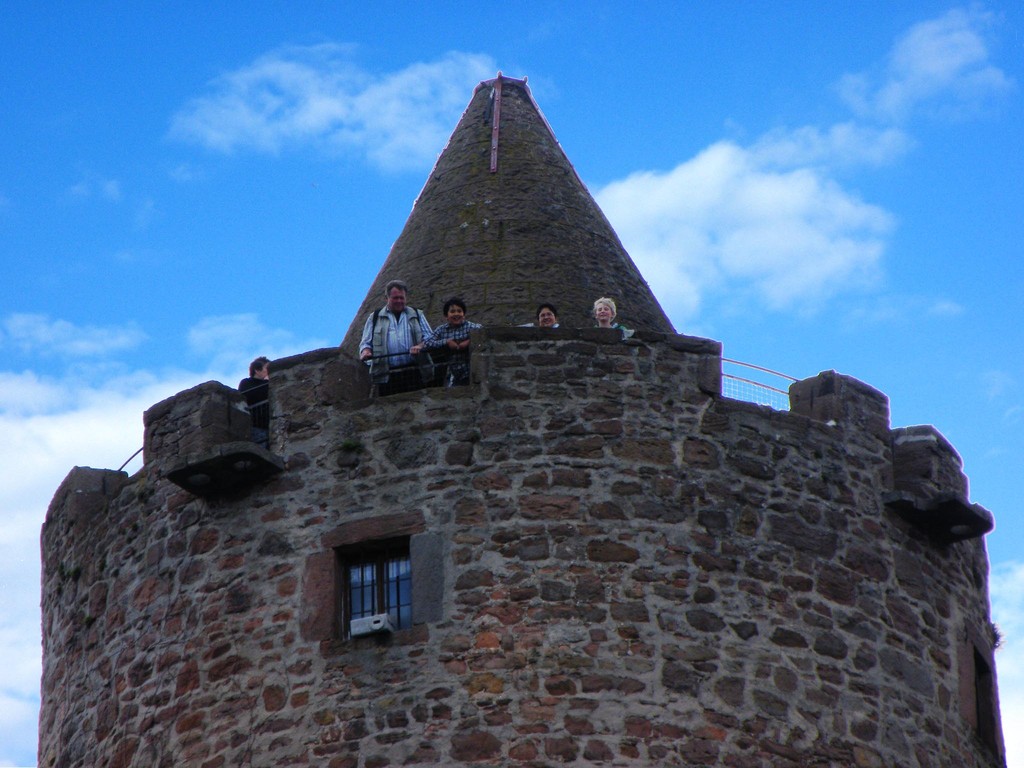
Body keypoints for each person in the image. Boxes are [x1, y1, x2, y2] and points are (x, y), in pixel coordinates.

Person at [358, 279, 433, 395]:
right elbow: (366, 343)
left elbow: (430, 338)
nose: (399, 301)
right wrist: (366, 352)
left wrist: (420, 346)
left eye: (401, 298)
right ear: (387, 298)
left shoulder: (417, 315)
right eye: (395, 298)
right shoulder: (375, 317)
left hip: (414, 371)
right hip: (386, 374)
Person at [411, 297, 483, 387]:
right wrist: (446, 342)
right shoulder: (442, 330)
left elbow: (484, 332)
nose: (456, 314)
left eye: (459, 311)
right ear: (446, 316)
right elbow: (428, 342)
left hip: (471, 373)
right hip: (455, 375)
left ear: (464, 314)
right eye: (452, 311)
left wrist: (469, 341)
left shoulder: (470, 327)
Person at [238, 356, 270, 447]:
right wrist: (266, 382)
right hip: (255, 425)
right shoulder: (246, 383)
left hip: (269, 424)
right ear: (257, 370)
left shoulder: (270, 383)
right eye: (267, 368)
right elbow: (248, 396)